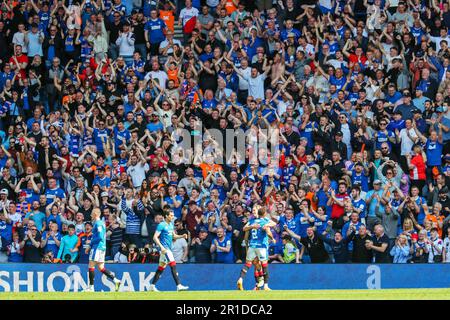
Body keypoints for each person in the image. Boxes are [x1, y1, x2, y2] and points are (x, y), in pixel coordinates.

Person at [237, 206, 275, 291]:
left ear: (259, 211)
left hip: (252, 245)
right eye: (253, 210)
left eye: (254, 210)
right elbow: (271, 227)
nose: (253, 212)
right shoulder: (263, 220)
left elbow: (245, 230)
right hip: (261, 246)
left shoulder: (251, 221)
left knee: (251, 264)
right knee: (263, 265)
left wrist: (252, 227)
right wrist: (272, 238)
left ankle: (241, 279)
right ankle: (264, 285)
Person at [149, 210, 189, 292]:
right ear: (166, 216)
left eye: (173, 215)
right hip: (165, 249)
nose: (172, 217)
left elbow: (174, 236)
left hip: (167, 249)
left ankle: (152, 286)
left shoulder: (170, 225)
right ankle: (179, 285)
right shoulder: (161, 225)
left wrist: (182, 236)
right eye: (171, 215)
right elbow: (155, 237)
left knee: (161, 268)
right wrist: (161, 247)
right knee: (173, 265)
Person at [84, 208, 121, 292]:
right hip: (101, 247)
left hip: (97, 247)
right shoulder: (100, 223)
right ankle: (116, 280)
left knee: (91, 266)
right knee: (101, 267)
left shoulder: (98, 223)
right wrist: (89, 246)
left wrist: (91, 242)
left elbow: (100, 237)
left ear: (96, 214)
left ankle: (91, 288)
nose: (90, 215)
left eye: (92, 213)